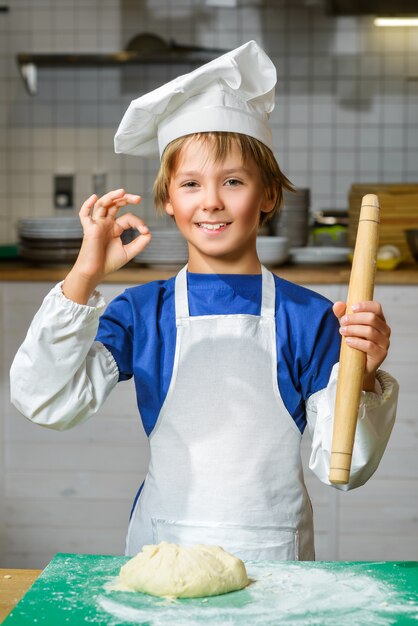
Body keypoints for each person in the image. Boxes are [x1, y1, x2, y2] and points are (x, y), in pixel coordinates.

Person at [10, 41, 398, 561]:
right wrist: (85, 274)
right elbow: (46, 400)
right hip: (163, 554)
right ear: (168, 200)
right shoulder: (142, 312)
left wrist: (365, 374)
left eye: (233, 181)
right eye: (191, 183)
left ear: (268, 196)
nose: (211, 200)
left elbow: (344, 470)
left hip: (275, 564)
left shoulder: (310, 319)